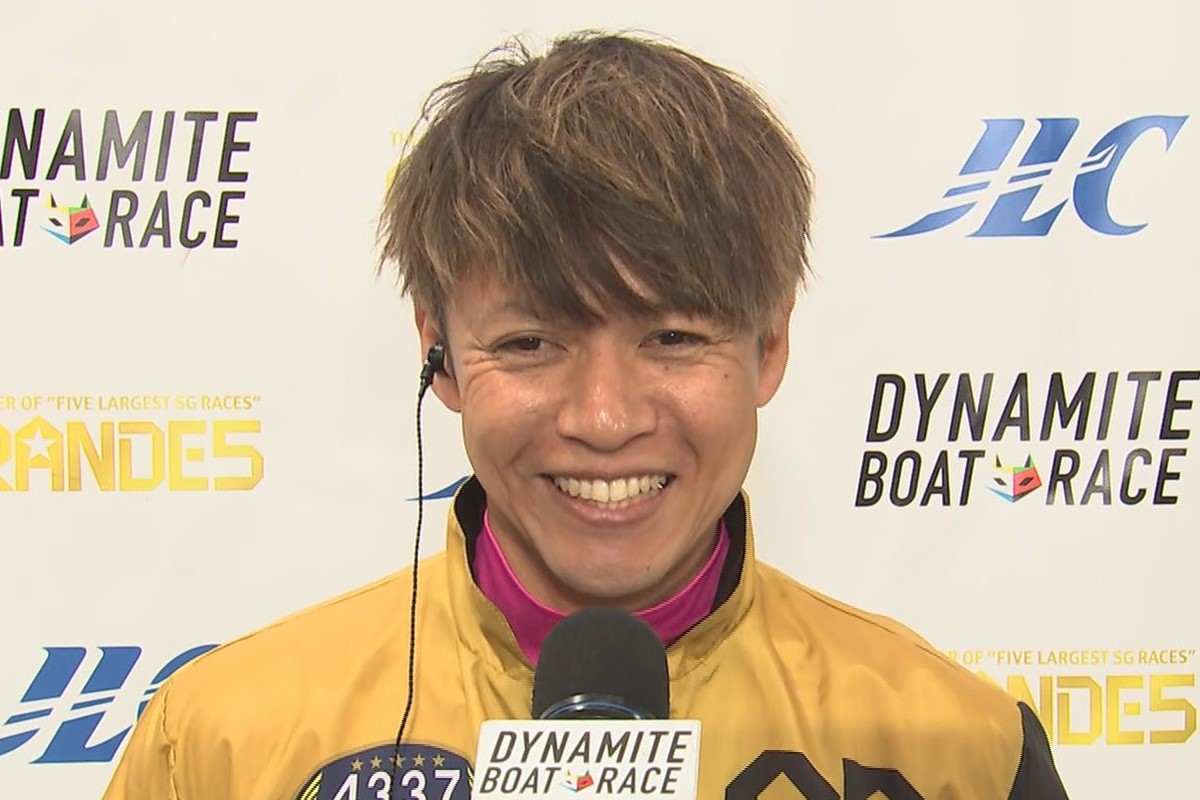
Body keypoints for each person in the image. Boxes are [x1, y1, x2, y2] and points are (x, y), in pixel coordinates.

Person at [102, 31, 1070, 799]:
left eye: (674, 337)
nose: (605, 418)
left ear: (769, 347)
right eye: (530, 342)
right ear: (440, 353)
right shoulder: (220, 742)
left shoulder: (962, 751)